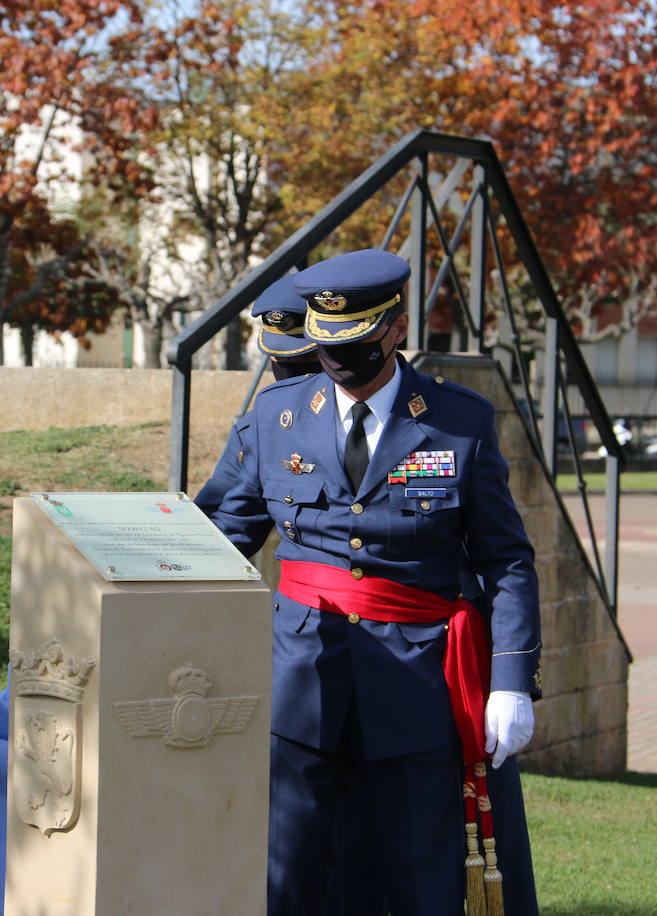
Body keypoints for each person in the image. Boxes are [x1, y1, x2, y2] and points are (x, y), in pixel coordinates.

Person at [209, 248, 540, 915]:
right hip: (302, 685)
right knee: (294, 878)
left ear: (395, 328)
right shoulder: (275, 421)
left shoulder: (459, 423)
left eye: (357, 344)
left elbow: (505, 559)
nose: (342, 365)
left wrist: (510, 680)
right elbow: (216, 537)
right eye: (328, 348)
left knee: (421, 878)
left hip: (417, 687)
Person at [194, 273, 321, 514]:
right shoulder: (258, 425)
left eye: (304, 355)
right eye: (277, 355)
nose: (285, 363)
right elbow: (219, 502)